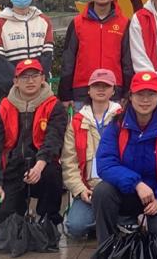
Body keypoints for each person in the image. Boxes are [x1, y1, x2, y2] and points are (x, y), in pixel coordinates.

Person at [93, 71, 157, 245]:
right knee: (102, 192)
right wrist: (136, 183)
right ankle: (106, 246)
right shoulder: (117, 125)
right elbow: (105, 164)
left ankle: (145, 237)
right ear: (131, 96)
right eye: (140, 94)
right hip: (127, 191)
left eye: (151, 94)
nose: (145, 100)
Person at [0, 59, 66, 235]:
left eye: (35, 75)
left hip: (42, 166)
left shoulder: (54, 106)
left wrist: (39, 166)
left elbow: (53, 140)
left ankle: (47, 217)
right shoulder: (3, 107)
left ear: (43, 78)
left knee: (52, 172)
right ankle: (19, 209)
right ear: (15, 81)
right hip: (14, 169)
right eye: (24, 77)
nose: (30, 81)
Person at [62, 69, 123, 239]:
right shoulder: (76, 122)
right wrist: (80, 190)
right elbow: (69, 162)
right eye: (96, 85)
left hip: (116, 188)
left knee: (125, 219)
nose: (101, 89)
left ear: (113, 90)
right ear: (89, 90)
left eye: (106, 86)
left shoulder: (123, 118)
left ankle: (107, 219)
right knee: (76, 227)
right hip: (88, 189)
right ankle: (102, 221)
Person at [59, 0, 130, 109]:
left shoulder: (124, 23)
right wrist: (65, 94)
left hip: (114, 91)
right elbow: (68, 60)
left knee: (114, 124)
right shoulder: (77, 23)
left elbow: (127, 60)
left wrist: (127, 93)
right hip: (82, 91)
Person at [0, 0, 55, 112]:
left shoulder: (44, 21)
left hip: (37, 94)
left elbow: (47, 57)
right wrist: (19, 86)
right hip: (5, 94)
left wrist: (34, 85)